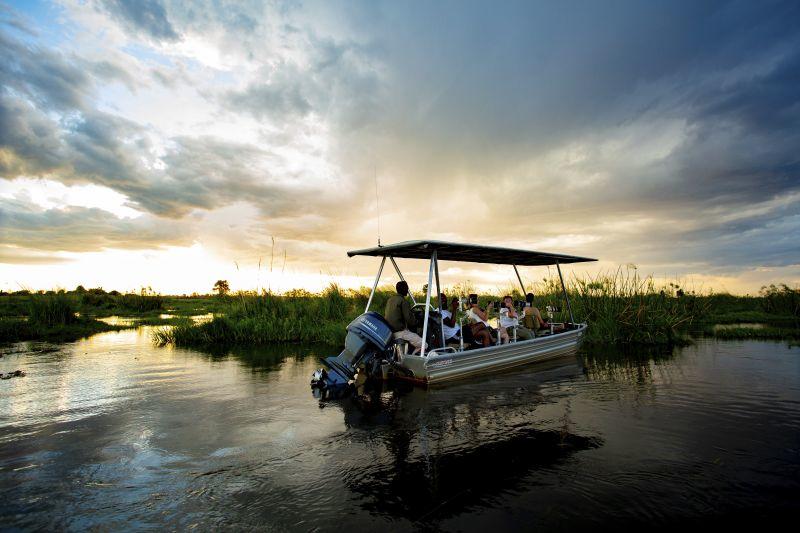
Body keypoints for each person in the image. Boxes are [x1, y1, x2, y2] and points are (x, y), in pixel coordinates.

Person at [384, 281, 423, 353]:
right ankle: (412, 360)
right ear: (404, 289)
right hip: (400, 332)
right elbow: (410, 320)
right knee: (423, 345)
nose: (408, 290)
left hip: (389, 332)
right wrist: (418, 321)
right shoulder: (403, 301)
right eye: (407, 288)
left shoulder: (390, 300)